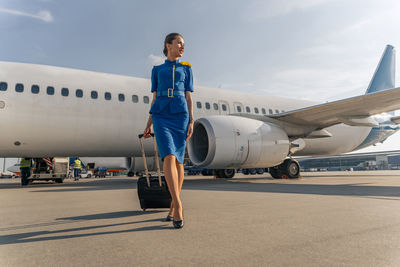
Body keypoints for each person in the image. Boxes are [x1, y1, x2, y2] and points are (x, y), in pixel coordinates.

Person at [143, 33, 194, 229]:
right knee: (169, 157)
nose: (182, 46)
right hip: (161, 114)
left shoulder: (186, 69)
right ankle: (178, 204)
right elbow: (154, 97)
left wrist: (191, 119)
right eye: (179, 43)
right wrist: (148, 123)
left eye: (184, 44)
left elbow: (189, 97)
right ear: (168, 45)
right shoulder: (157, 70)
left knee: (179, 161)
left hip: (180, 113)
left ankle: (173, 204)